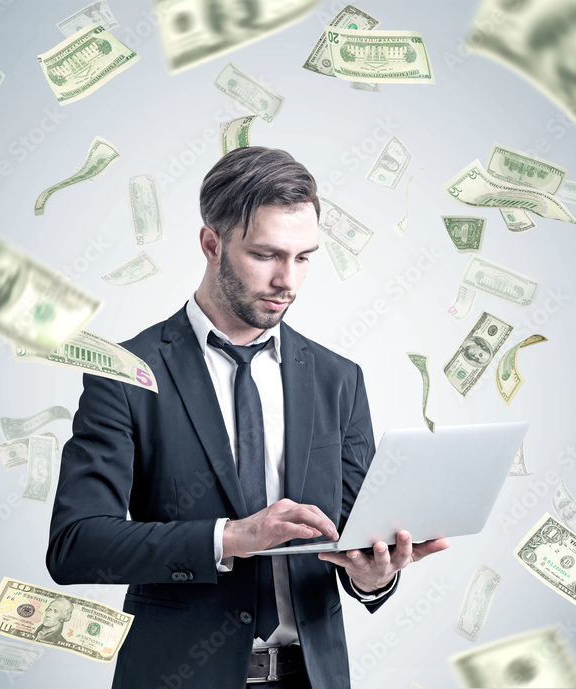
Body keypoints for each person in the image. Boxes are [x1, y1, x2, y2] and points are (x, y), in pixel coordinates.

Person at [47, 147, 449, 689]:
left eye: (303, 258)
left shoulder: (338, 379)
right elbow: (75, 546)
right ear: (211, 244)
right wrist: (230, 537)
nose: (288, 280)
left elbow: (356, 538)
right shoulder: (127, 374)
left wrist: (373, 575)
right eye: (266, 255)